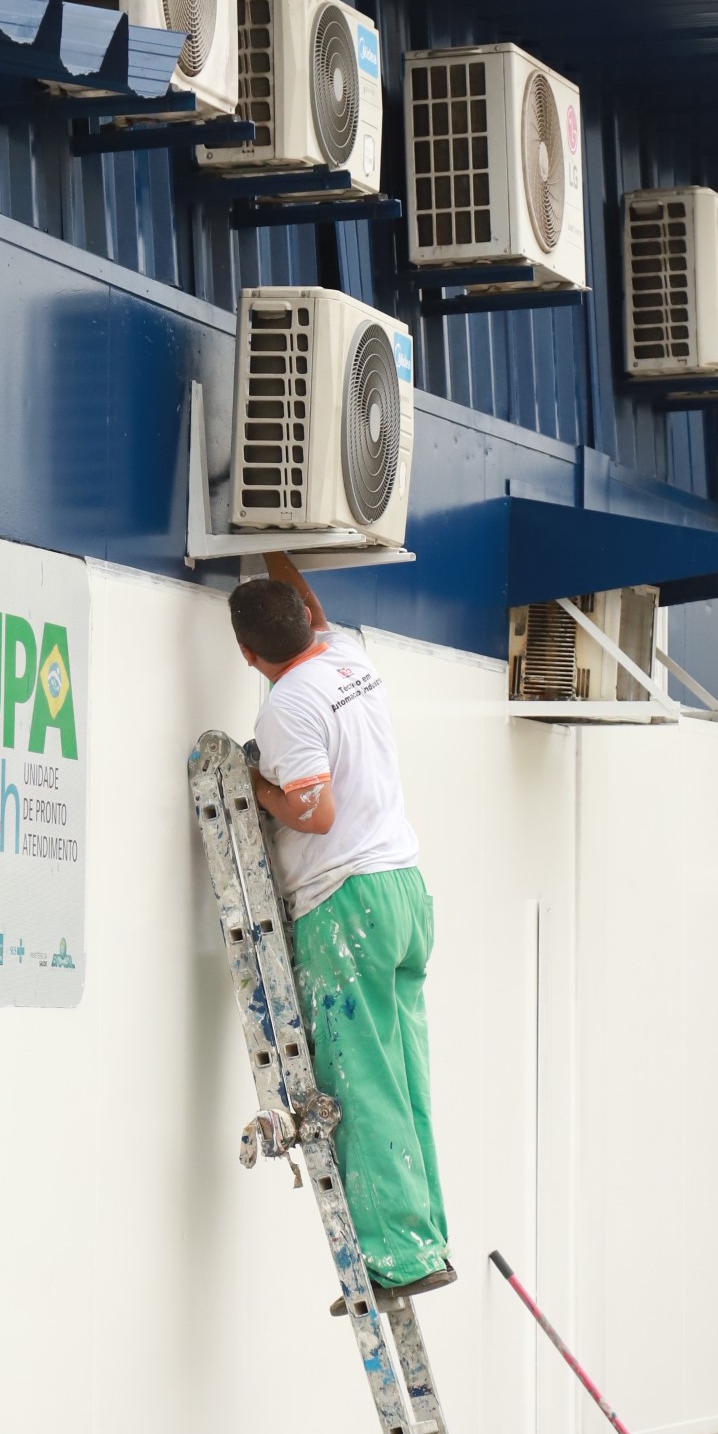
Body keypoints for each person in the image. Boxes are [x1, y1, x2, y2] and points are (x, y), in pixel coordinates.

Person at [228, 552, 454, 1311]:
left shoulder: (286, 705)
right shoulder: (345, 657)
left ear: (246, 654)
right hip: (403, 888)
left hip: (346, 903)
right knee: (404, 1073)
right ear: (303, 623)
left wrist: (255, 786)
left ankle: (393, 1259)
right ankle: (426, 1240)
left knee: (360, 1084)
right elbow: (308, 607)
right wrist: (278, 546)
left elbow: (313, 811)